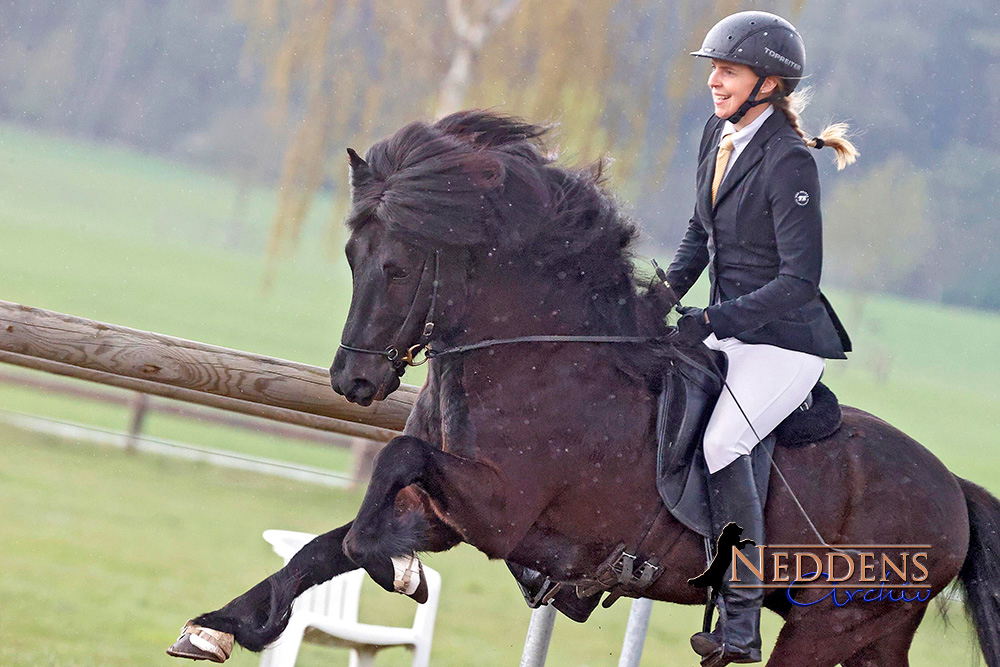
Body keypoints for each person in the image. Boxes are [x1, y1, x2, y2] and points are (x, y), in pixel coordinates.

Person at [662, 11, 856, 666]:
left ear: (768, 84)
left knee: (724, 439)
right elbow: (698, 237)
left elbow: (799, 282)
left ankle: (741, 629)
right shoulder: (714, 136)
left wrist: (713, 321)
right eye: (713, 69)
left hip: (783, 344)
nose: (714, 81)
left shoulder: (788, 163)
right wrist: (657, 301)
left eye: (728, 71)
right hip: (731, 330)